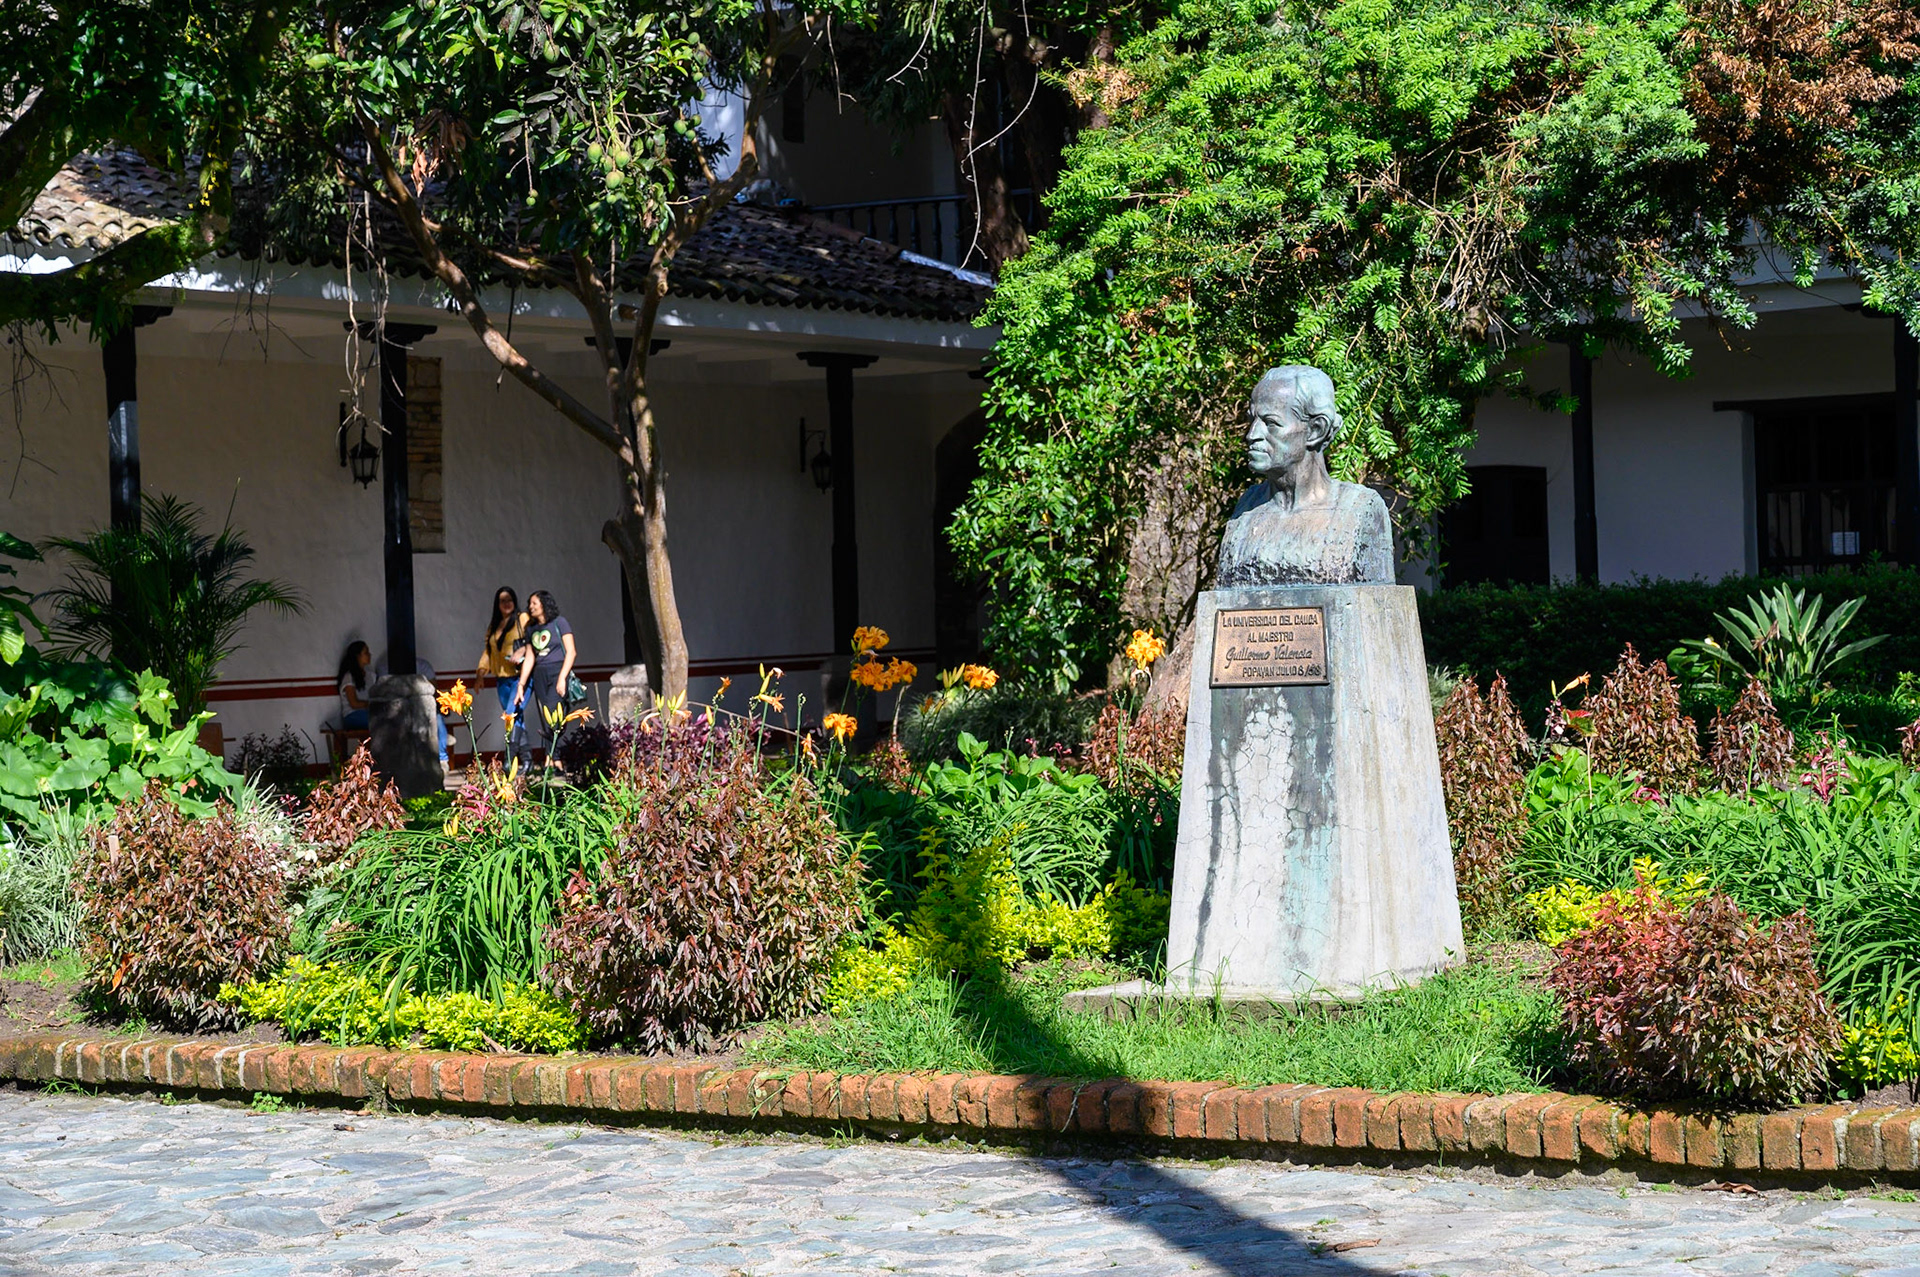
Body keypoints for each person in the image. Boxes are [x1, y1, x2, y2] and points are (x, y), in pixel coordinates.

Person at [511, 589, 576, 765]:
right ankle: (553, 757)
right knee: (545, 715)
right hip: (540, 673)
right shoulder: (531, 628)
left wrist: (563, 677)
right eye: (530, 603)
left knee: (555, 713)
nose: (530, 607)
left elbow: (571, 652)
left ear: (544, 604)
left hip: (558, 671)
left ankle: (555, 757)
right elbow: (530, 657)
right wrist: (521, 685)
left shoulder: (559, 623)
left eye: (534, 603)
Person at [476, 586, 528, 740]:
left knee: (511, 713)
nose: (506, 603)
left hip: (518, 677)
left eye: (509, 600)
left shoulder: (522, 619)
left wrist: (523, 650)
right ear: (497, 605)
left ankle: (510, 756)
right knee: (513, 716)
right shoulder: (494, 626)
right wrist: (480, 674)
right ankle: (525, 758)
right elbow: (488, 652)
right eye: (502, 601)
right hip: (501, 680)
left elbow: (534, 641)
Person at [336, 641, 372, 729]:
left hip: (367, 712)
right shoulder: (349, 677)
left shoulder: (371, 676)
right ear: (357, 656)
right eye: (366, 653)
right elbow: (354, 704)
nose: (369, 655)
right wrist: (371, 704)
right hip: (353, 715)